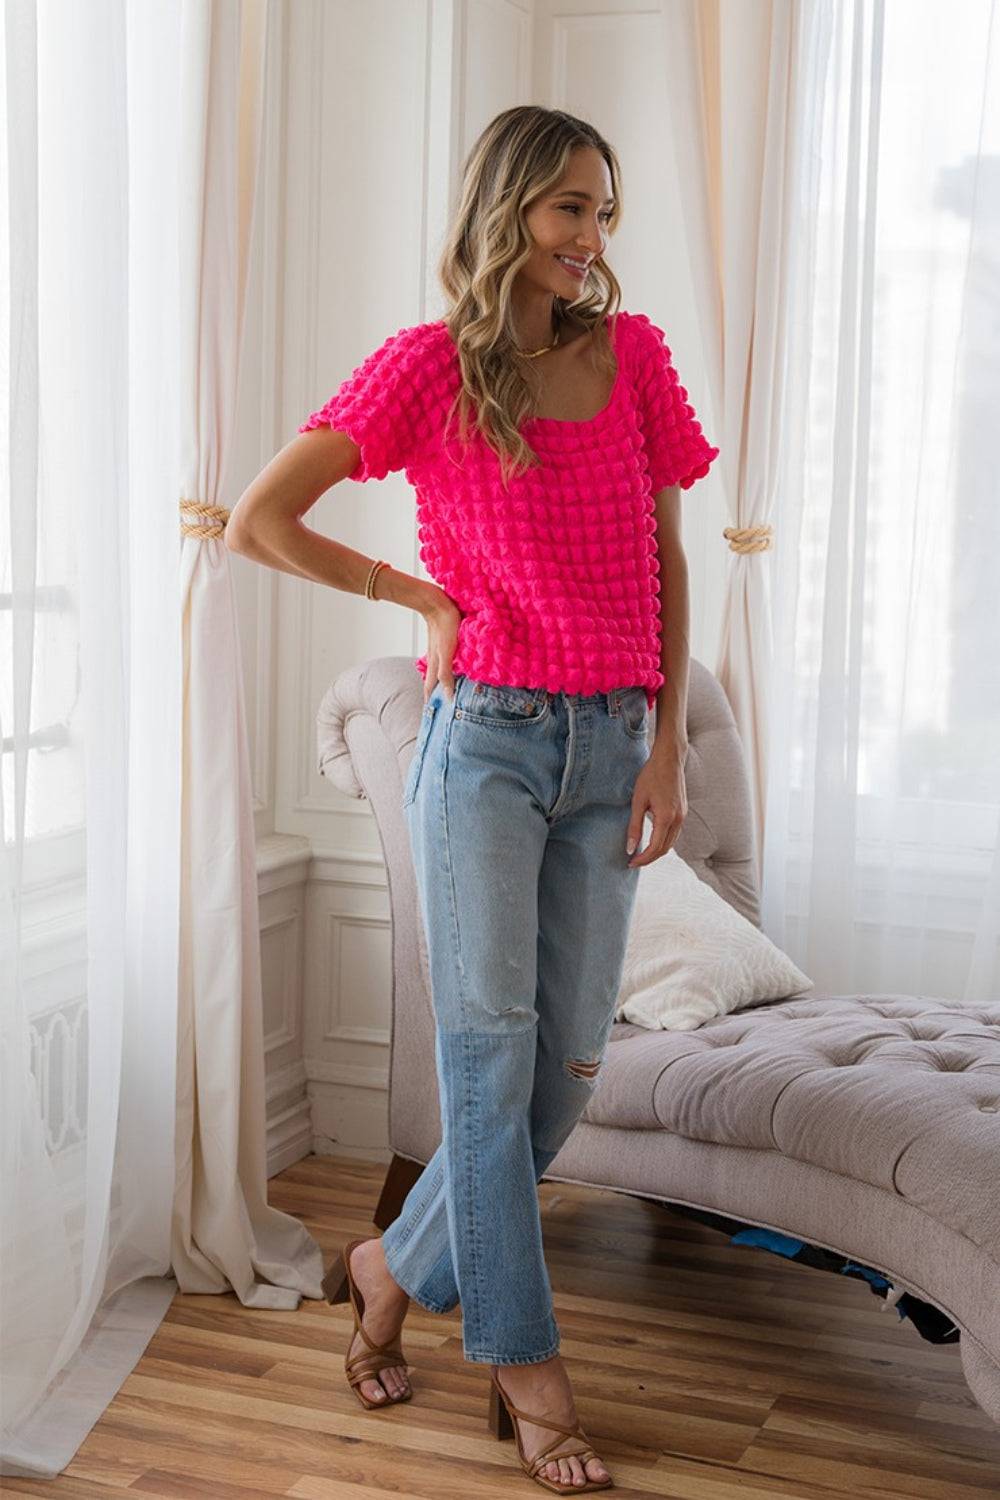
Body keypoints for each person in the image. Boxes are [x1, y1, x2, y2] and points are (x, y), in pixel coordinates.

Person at [227, 104, 718, 1496]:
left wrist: (669, 745)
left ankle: (390, 1266)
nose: (591, 238)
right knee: (491, 1069)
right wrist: (414, 594)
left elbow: (675, 562)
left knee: (559, 1083)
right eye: (570, 208)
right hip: (487, 749)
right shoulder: (427, 368)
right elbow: (265, 516)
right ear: (508, 209)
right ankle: (526, 1367)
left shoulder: (633, 357)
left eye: (606, 212)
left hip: (613, 748)